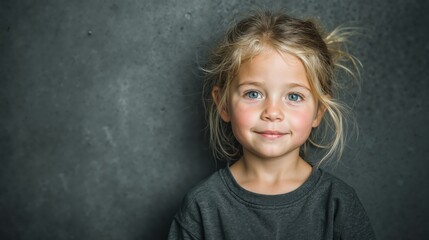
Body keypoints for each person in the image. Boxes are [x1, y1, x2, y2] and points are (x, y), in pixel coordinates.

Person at [168, 10, 376, 240]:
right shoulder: (202, 206)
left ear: (318, 111)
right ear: (223, 104)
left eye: (294, 97)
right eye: (253, 93)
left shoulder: (338, 203)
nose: (272, 113)